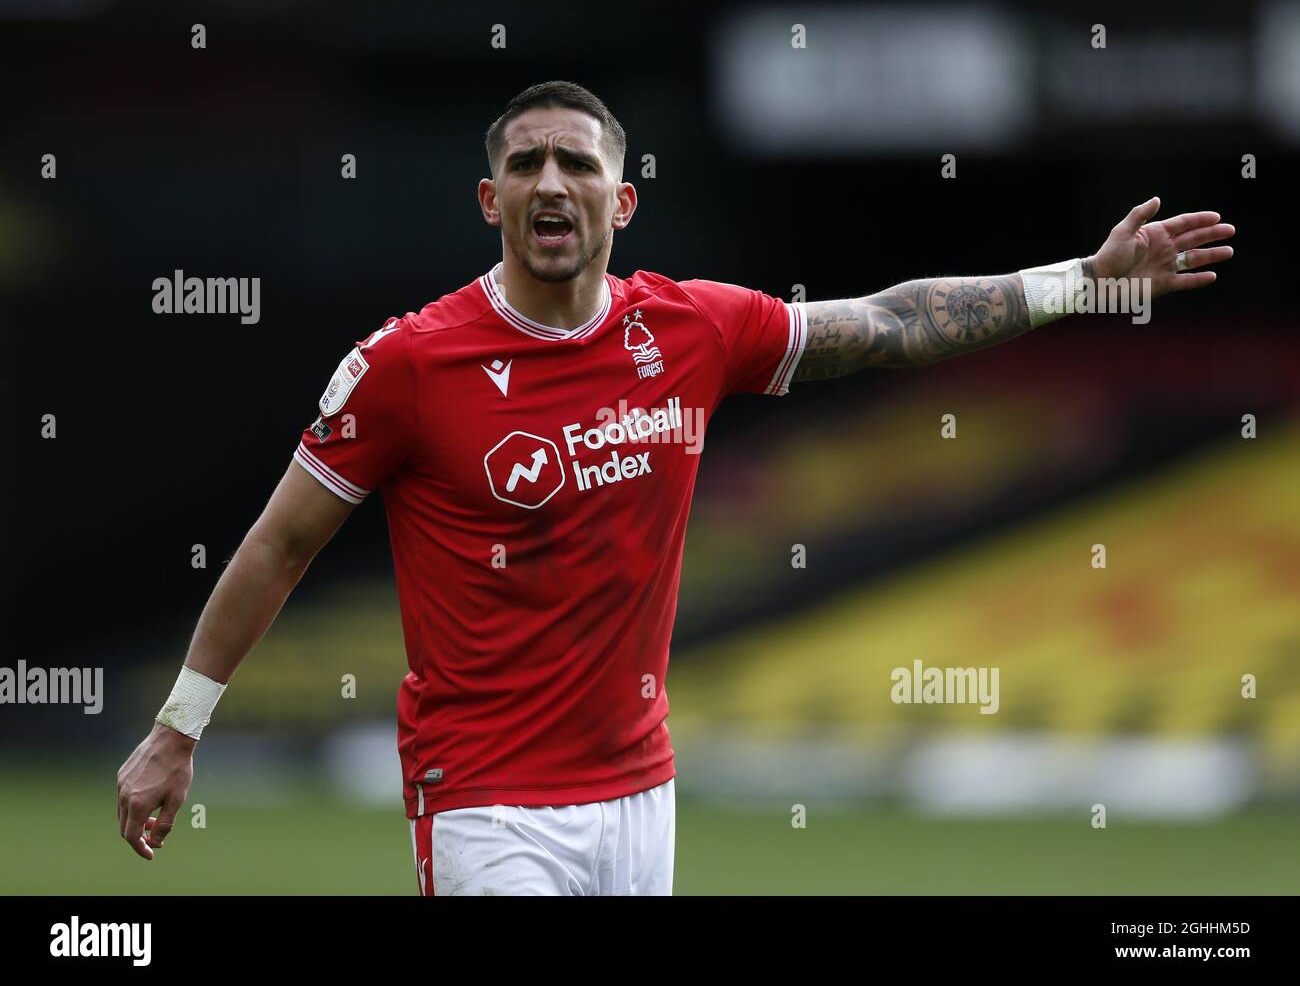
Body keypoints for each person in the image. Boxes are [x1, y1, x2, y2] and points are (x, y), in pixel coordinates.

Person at [116, 79, 1235, 895]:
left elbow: (890, 323)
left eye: (576, 164)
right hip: (486, 801)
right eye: (525, 165)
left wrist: (1078, 286)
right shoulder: (410, 366)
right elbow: (277, 543)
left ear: (623, 200)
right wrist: (179, 727)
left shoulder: (694, 327)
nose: (550, 183)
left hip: (639, 795)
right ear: (488, 199)